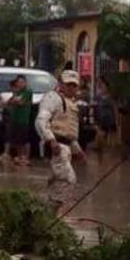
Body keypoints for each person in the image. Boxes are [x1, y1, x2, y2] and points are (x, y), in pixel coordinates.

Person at [36, 70, 84, 210]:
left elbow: (69, 133)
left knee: (56, 181)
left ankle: (46, 213)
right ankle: (51, 211)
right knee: (67, 179)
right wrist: (51, 140)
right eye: (68, 85)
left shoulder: (71, 103)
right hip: (56, 146)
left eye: (74, 85)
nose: (71, 88)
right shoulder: (53, 98)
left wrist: (77, 150)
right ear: (61, 84)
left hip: (64, 147)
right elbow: (41, 121)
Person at [4, 75, 33, 166]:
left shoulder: (28, 91)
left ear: (25, 83)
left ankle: (26, 158)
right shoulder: (17, 92)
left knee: (24, 140)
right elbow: (8, 102)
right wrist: (13, 100)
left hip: (23, 120)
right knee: (17, 141)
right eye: (19, 82)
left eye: (22, 82)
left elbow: (21, 103)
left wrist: (14, 101)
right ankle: (20, 157)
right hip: (15, 119)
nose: (20, 84)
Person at [94, 77, 118, 151]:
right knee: (101, 136)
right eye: (101, 86)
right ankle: (101, 149)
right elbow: (96, 108)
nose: (102, 88)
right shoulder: (98, 97)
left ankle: (111, 150)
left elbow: (115, 108)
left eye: (104, 86)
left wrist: (116, 120)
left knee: (111, 137)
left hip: (110, 119)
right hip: (101, 120)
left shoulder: (111, 97)